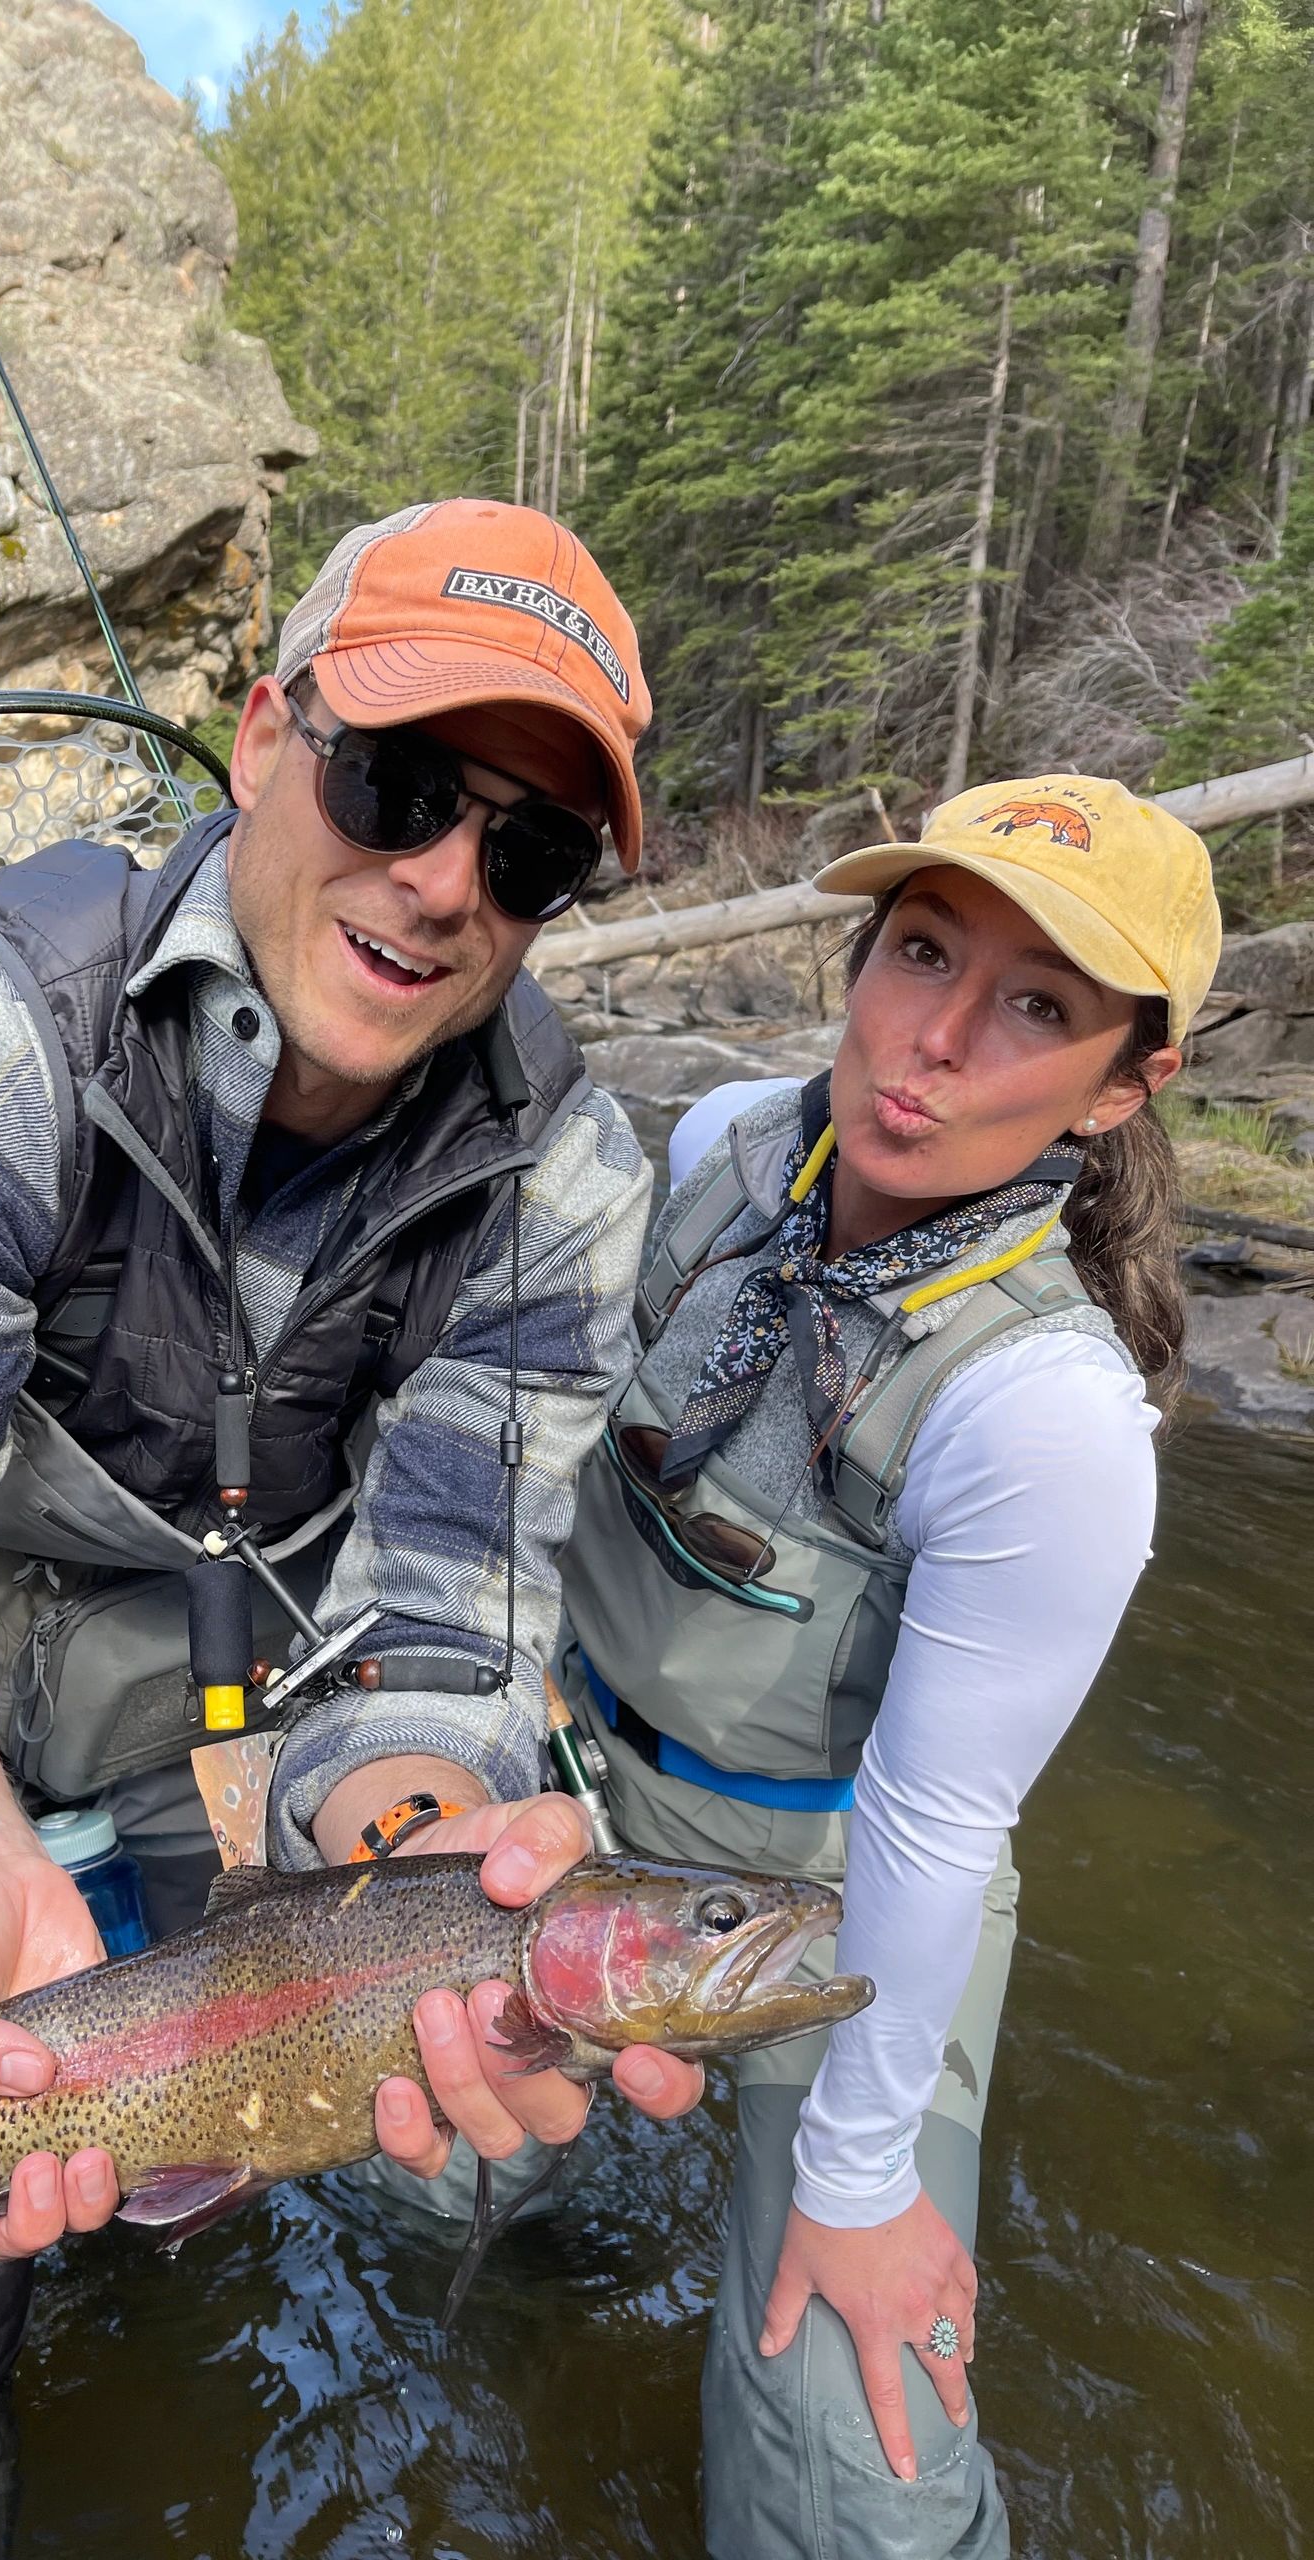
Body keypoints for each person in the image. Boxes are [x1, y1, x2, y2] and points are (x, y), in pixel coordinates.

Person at [0, 498, 704, 2467]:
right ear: (267, 732)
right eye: (396, 780)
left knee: (247, 2139)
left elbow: (440, 1643)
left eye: (531, 847)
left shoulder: (562, 1182)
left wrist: (426, 1848)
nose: (445, 877)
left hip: (208, 1658)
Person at [554, 773, 1221, 2558]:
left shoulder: (1050, 1420)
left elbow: (934, 1826)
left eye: (1037, 1006)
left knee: (851, 2464)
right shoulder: (724, 1150)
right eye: (921, 950)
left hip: (834, 1892)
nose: (930, 1039)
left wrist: (856, 2184)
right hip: (569, 1786)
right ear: (856, 956)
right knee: (424, 2164)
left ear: (1125, 1083)